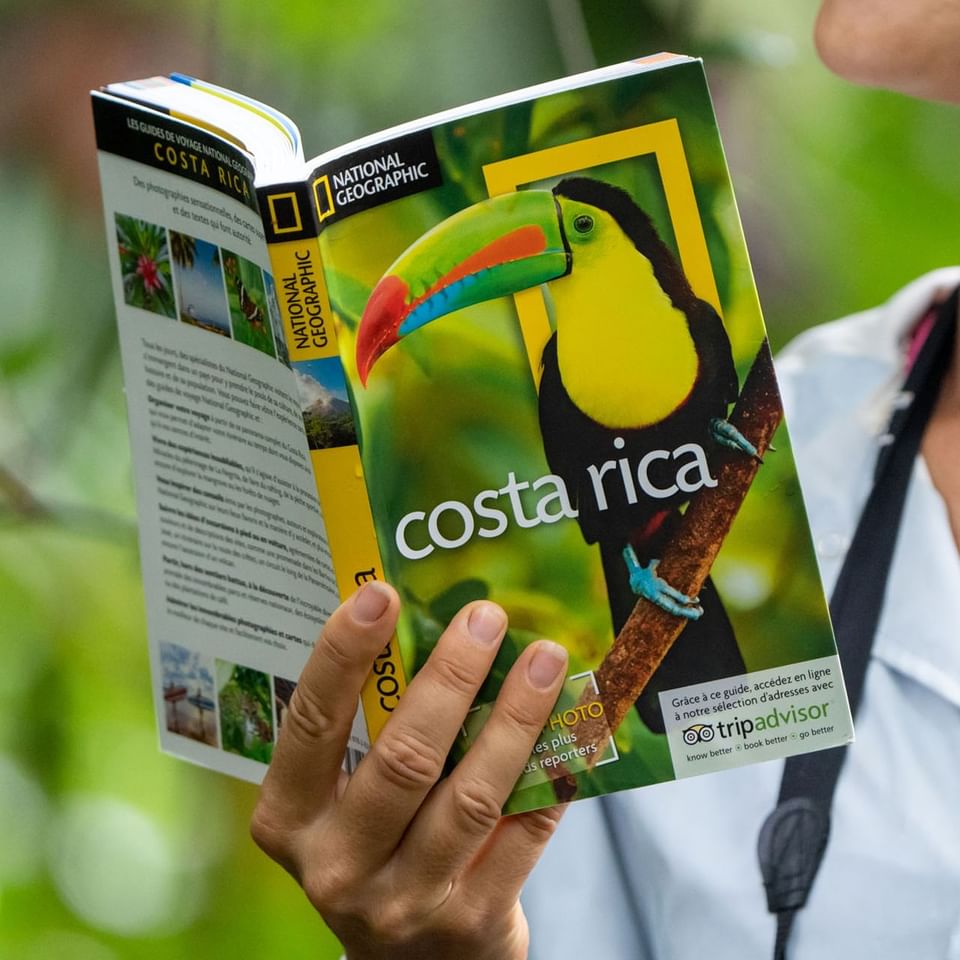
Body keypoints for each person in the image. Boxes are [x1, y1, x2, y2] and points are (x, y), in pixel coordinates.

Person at [250, 2, 960, 957]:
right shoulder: (811, 419)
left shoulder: (711, 350)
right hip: (640, 577)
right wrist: (448, 945)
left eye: (578, 230)